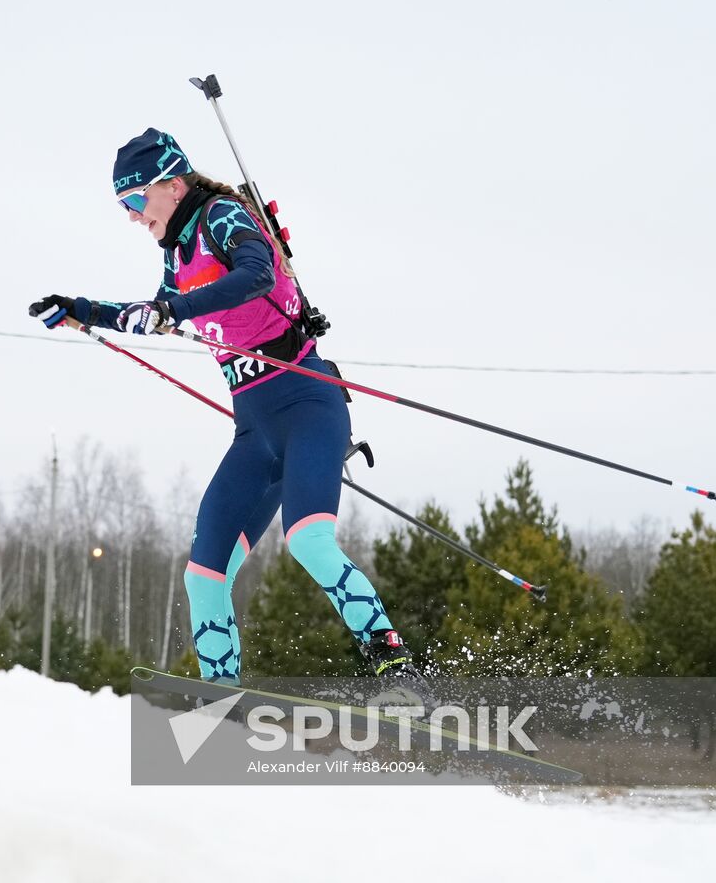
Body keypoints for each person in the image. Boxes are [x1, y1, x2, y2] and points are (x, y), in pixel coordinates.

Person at [29, 128, 423, 687]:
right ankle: (221, 701)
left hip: (309, 405)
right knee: (203, 576)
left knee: (308, 540)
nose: (134, 217)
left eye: (135, 201)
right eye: (124, 207)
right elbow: (154, 310)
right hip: (254, 433)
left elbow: (256, 273)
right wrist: (80, 309)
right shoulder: (178, 255)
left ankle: (393, 664)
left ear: (169, 184)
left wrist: (172, 306)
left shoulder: (222, 216)